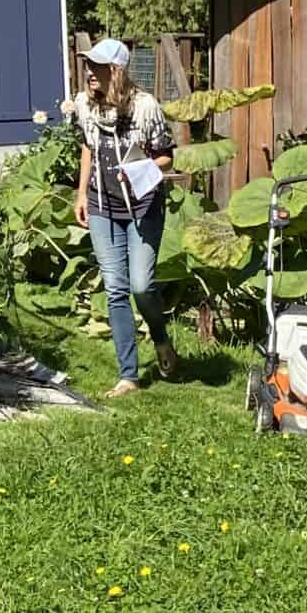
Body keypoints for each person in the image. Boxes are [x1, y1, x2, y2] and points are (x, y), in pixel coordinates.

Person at [68, 38, 181, 397]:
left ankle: (161, 340)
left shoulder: (146, 107)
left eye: (96, 67)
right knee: (115, 289)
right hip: (103, 207)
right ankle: (128, 375)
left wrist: (140, 168)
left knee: (141, 286)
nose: (89, 73)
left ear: (115, 71)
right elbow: (88, 146)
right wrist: (82, 192)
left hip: (142, 207)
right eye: (88, 66)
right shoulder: (86, 105)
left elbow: (167, 157)